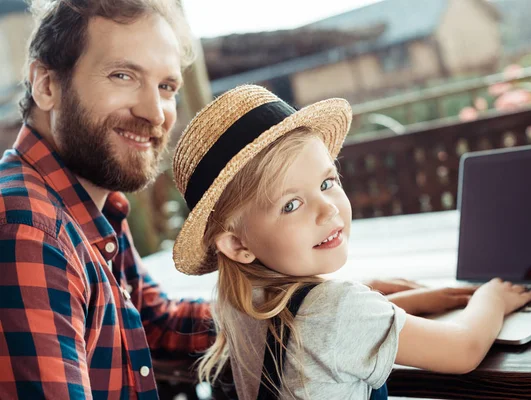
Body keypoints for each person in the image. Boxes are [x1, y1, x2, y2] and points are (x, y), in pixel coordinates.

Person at [0, 1, 472, 398]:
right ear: (46, 85)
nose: (154, 111)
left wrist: (312, 307)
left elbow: (159, 323)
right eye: (123, 75)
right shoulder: (31, 232)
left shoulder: (84, 212)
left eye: (166, 86)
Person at [170, 85, 531, 399]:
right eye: (291, 204)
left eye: (327, 183)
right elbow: (463, 348)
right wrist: (493, 298)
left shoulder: (240, 305)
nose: (327, 210)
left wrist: (395, 302)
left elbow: (312, 329)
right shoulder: (339, 310)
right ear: (237, 245)